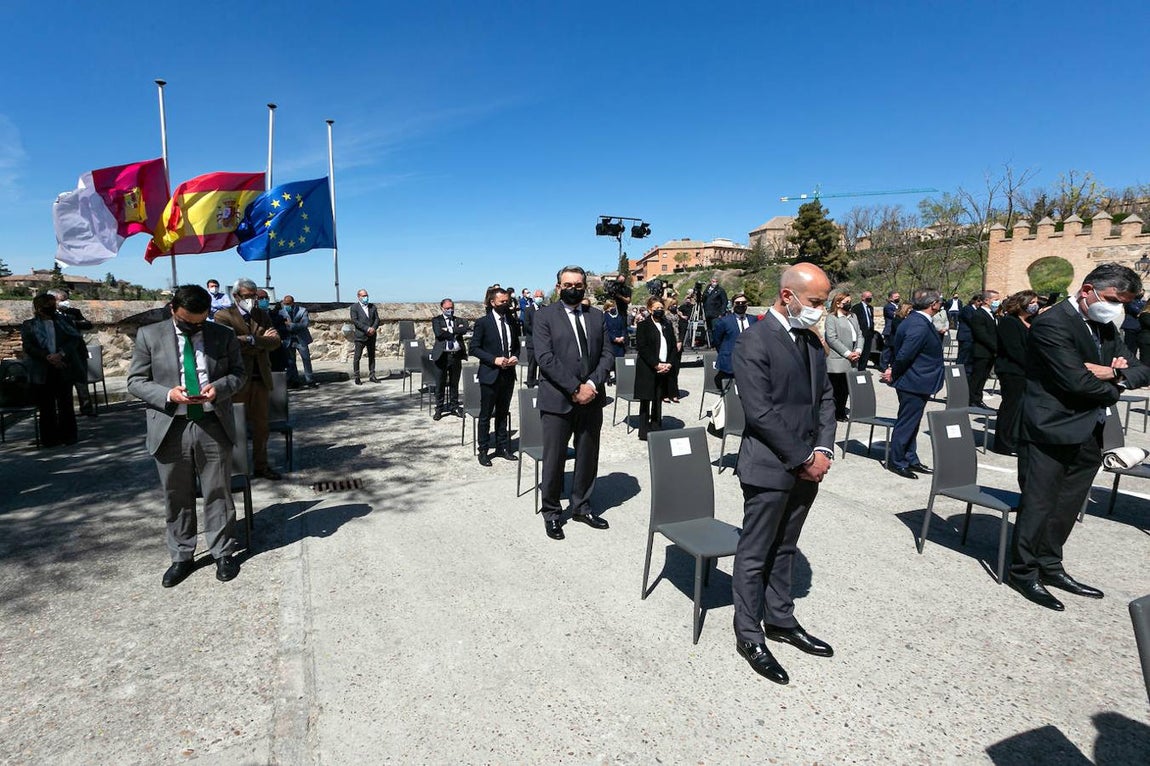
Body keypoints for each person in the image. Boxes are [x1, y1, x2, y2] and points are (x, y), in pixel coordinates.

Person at [1008, 263, 1150, 611]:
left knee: (1068, 505)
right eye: (1114, 300)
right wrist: (1116, 380)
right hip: (1049, 428)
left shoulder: (1104, 326)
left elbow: (1142, 369)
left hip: (1089, 428)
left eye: (1124, 303)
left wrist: (1111, 373)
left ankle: (1050, 564)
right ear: (1088, 290)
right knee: (1039, 504)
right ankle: (1023, 571)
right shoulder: (1052, 324)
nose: (1118, 308)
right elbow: (1076, 382)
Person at [731, 263, 836, 685]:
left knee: (786, 547)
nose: (820, 310)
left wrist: (823, 449)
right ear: (788, 296)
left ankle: (780, 619)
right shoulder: (753, 341)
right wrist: (804, 458)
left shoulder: (809, 340)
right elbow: (760, 412)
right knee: (755, 552)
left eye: (824, 303)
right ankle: (749, 634)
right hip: (770, 466)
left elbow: (825, 398)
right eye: (815, 302)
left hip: (808, 467)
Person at [126, 284, 245, 587]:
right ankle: (182, 555)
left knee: (218, 491)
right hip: (170, 424)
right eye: (186, 322)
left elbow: (239, 374)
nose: (193, 327)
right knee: (176, 493)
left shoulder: (223, 335)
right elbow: (136, 381)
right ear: (172, 310)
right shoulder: (149, 335)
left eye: (199, 322)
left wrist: (220, 388)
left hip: (212, 422)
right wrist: (168, 394)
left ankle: (222, 551)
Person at [532, 265, 615, 540]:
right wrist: (575, 388)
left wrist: (591, 385)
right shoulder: (544, 316)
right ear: (558, 287)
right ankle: (552, 513)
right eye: (568, 285)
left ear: (584, 287)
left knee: (588, 455)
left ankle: (581, 506)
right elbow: (545, 358)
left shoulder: (597, 316)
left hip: (591, 398)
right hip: (558, 400)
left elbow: (607, 355)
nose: (573, 289)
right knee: (554, 459)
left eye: (578, 285)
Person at [213, 278, 282, 481]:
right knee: (234, 426)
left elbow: (275, 342)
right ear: (236, 296)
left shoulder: (262, 315)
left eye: (254, 296)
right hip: (237, 380)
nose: (252, 299)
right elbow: (229, 344)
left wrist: (251, 340)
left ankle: (261, 466)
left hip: (261, 378)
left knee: (262, 427)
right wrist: (259, 341)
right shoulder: (223, 316)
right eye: (247, 296)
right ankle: (235, 469)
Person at [883, 288, 945, 480]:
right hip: (913, 381)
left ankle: (910, 457)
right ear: (933, 304)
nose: (941, 304)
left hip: (917, 380)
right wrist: (894, 373)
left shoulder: (917, 320)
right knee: (907, 423)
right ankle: (897, 461)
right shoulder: (918, 324)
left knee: (912, 422)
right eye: (939, 302)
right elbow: (905, 355)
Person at [20, 293, 85, 447]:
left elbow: (74, 340)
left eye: (52, 304)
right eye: (47, 305)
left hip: (63, 366)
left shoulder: (64, 322)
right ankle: (49, 439)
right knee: (46, 406)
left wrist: (61, 354)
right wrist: (47, 356)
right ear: (38, 307)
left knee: (66, 404)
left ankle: (68, 436)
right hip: (42, 369)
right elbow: (28, 346)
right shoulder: (29, 325)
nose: (50, 308)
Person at [470, 287, 519, 465]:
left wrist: (515, 357)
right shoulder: (483, 323)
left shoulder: (511, 322)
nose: (506, 304)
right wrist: (494, 359)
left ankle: (502, 447)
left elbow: (516, 346)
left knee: (503, 413)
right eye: (502, 302)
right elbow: (474, 348)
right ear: (492, 302)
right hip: (490, 375)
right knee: (485, 415)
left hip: (508, 375)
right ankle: (483, 450)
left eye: (507, 301)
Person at [993, 290, 1038, 456]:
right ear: (1022, 304)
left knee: (1023, 408)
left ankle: (1018, 439)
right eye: (1032, 302)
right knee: (1011, 407)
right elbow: (1014, 350)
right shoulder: (1009, 322)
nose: (1035, 305)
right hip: (1012, 371)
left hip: (1027, 372)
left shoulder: (1032, 321)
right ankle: (1004, 443)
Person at [634, 296, 677, 440]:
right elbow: (642, 347)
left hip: (664, 365)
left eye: (661, 308)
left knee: (658, 398)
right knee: (646, 399)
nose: (659, 310)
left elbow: (673, 345)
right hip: (648, 367)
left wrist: (669, 363)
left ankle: (656, 427)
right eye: (656, 308)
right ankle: (644, 431)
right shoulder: (643, 325)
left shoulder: (667, 324)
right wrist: (656, 364)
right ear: (650, 309)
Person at [46, 288, 95, 416]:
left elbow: (88, 325)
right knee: (63, 384)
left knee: (81, 380)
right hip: (60, 353)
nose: (65, 302)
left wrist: (72, 322)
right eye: (62, 300)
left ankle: (86, 408)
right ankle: (64, 411)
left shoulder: (73, 312)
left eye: (66, 299)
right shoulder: (49, 315)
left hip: (78, 351)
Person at [824, 291, 863, 422]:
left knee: (846, 389)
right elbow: (831, 338)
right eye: (846, 302)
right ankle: (832, 413)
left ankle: (840, 412)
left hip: (853, 358)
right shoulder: (832, 318)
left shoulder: (853, 316)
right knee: (835, 389)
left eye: (850, 302)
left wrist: (858, 350)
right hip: (838, 359)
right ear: (838, 303)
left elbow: (859, 335)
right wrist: (848, 353)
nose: (849, 304)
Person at [431, 298, 468, 420]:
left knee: (454, 383)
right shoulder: (437, 320)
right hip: (442, 356)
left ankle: (454, 406)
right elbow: (439, 333)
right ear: (442, 308)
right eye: (447, 308)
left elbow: (464, 329)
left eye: (451, 308)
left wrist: (449, 329)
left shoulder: (459, 320)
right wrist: (455, 331)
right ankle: (439, 409)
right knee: (440, 384)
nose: (450, 310)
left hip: (455, 356)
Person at [711, 293, 757, 393]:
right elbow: (717, 340)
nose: (741, 305)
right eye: (738, 303)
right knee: (731, 393)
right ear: (733, 305)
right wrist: (725, 352)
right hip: (730, 362)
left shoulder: (753, 320)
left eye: (743, 303)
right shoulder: (724, 321)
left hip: (750, 362)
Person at [968, 290, 999, 408]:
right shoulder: (979, 314)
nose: (997, 302)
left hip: (990, 353)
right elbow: (981, 335)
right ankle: (971, 399)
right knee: (977, 376)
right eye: (995, 300)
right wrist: (996, 347)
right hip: (981, 351)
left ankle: (978, 398)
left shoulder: (993, 314)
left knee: (983, 377)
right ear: (986, 300)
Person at [280, 294, 317, 388]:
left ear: (293, 303)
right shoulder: (281, 312)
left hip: (301, 339)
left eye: (288, 304)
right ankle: (294, 380)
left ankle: (310, 380)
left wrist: (291, 325)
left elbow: (304, 324)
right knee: (290, 361)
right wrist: (294, 325)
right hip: (288, 339)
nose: (287, 306)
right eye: (285, 304)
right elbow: (281, 325)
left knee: (306, 359)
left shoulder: (302, 310)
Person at [350, 288, 381, 384]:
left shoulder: (372, 307)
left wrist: (373, 328)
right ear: (359, 297)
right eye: (364, 296)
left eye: (366, 295)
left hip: (371, 336)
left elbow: (377, 319)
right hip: (360, 336)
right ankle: (357, 377)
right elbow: (355, 321)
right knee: (357, 357)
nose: (366, 297)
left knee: (372, 356)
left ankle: (372, 375)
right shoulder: (354, 307)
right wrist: (367, 329)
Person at [257, 289, 290, 374]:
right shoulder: (250, 317)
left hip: (276, 356)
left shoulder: (277, 316)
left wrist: (274, 333)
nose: (264, 300)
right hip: (258, 358)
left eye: (266, 298)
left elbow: (284, 332)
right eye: (261, 298)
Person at [523, 289, 545, 388]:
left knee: (543, 364)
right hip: (532, 341)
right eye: (537, 296)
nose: (539, 298)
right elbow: (526, 325)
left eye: (540, 296)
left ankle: (541, 381)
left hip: (543, 342)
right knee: (532, 364)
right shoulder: (528, 310)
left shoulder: (545, 309)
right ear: (534, 297)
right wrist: (537, 332)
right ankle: (530, 382)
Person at [852, 290, 875, 371]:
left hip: (869, 333)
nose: (870, 298)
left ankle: (862, 369)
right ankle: (856, 369)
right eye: (868, 297)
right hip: (860, 333)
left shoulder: (870, 308)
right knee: (859, 351)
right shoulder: (856, 308)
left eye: (871, 297)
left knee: (866, 353)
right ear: (862, 298)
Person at [702, 277, 728, 344]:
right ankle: (710, 342)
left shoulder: (720, 290)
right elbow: (703, 299)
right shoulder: (707, 290)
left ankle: (717, 342)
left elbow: (724, 301)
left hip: (716, 313)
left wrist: (722, 312)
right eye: (713, 281)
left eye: (715, 281)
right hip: (707, 313)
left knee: (715, 328)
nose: (714, 283)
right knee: (708, 329)